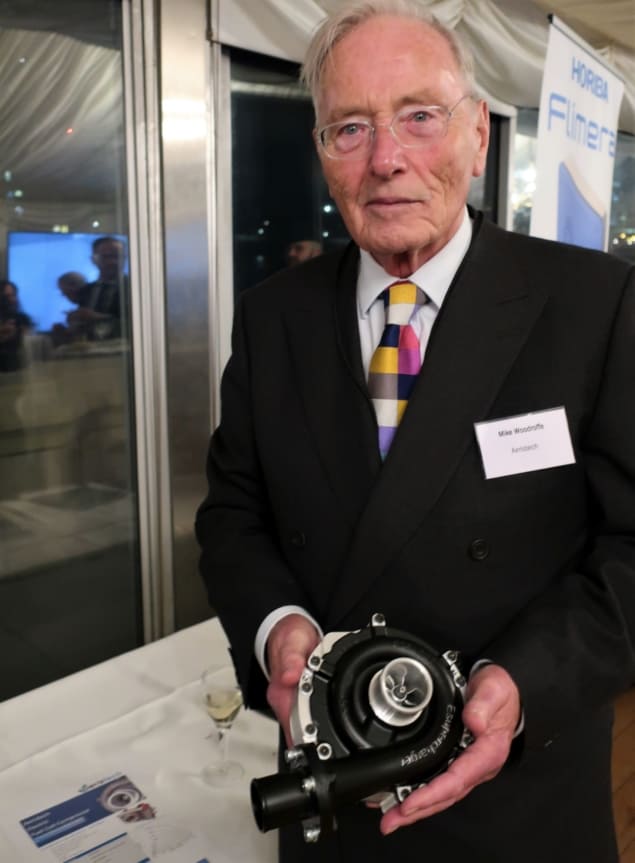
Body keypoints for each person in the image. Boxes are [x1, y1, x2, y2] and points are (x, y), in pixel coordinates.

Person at [196, 2, 635, 861]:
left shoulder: (595, 305)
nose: (385, 159)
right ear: (322, 154)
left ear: (476, 134)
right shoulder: (271, 316)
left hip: (520, 792)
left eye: (418, 117)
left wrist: (522, 682)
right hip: (332, 783)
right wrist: (276, 624)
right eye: (348, 128)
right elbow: (233, 512)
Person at [66, 236, 126, 340]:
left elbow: (141, 324)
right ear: (94, 260)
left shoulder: (135, 289)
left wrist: (99, 318)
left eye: (117, 256)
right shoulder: (86, 290)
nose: (112, 262)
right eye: (106, 257)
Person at [0, 280, 33, 372]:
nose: (12, 300)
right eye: (5, 297)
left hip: (19, 371)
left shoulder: (22, 319)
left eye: (13, 295)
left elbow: (29, 347)